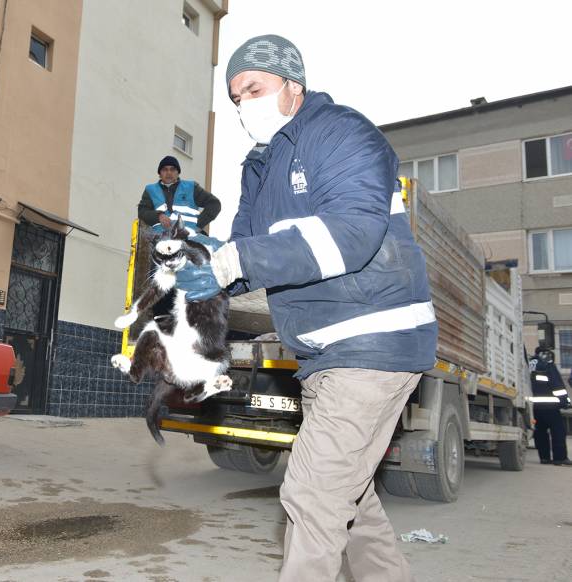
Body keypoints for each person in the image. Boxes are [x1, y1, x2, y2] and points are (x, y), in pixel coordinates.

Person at [205, 35, 439, 581]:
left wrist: (237, 257)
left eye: (255, 89)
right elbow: (245, 258)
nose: (245, 106)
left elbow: (354, 232)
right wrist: (201, 272)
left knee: (311, 494)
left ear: (293, 86)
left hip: (371, 341)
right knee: (350, 497)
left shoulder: (341, 133)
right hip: (324, 353)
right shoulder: (258, 170)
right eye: (236, 98)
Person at [138, 155, 221, 234]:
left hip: (189, 239)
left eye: (173, 169)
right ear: (159, 174)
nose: (169, 173)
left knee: (221, 247)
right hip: (160, 240)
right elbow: (142, 212)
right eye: (164, 169)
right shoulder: (150, 190)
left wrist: (198, 225)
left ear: (178, 173)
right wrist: (158, 216)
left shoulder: (191, 187)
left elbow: (214, 204)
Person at [528, 347, 571, 466]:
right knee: (558, 432)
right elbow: (557, 385)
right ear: (545, 354)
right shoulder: (547, 364)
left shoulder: (528, 364)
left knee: (540, 433)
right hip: (550, 406)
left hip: (534, 406)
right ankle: (560, 458)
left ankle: (544, 458)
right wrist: (565, 402)